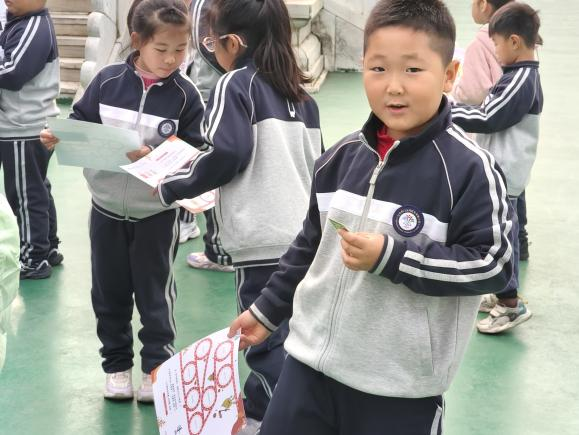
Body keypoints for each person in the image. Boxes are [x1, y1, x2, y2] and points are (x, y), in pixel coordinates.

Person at [228, 0, 514, 433]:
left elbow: (492, 264)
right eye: (378, 69)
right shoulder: (339, 159)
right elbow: (308, 247)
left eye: (412, 70)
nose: (393, 86)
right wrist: (266, 311)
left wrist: (393, 256)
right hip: (307, 366)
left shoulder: (469, 170)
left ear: (449, 74)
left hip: (398, 388)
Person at [157, 0, 322, 431]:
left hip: (261, 239)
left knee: (263, 340)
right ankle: (280, 409)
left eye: (213, 43)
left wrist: (171, 183)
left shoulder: (236, 84)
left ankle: (269, 418)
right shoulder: (302, 96)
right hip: (304, 242)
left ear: (232, 42)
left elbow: (225, 152)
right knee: (294, 336)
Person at [40, 0, 205, 402]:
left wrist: (157, 156)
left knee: (155, 296)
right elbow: (81, 121)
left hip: (156, 214)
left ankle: (155, 369)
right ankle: (116, 367)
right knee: (108, 293)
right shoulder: (107, 81)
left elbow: (198, 150)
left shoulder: (186, 96)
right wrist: (60, 135)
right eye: (161, 49)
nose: (171, 59)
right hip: (106, 208)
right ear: (137, 41)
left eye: (180, 49)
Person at [452, 2, 542, 334]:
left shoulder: (520, 79)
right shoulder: (519, 75)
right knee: (503, 232)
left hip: (506, 170)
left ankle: (510, 304)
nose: (496, 51)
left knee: (505, 236)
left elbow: (490, 117)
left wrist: (445, 112)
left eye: (497, 44)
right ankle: (501, 292)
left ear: (514, 42)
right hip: (503, 168)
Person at [0, 0, 62, 279]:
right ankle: (47, 246)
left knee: (25, 196)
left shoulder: (34, 25)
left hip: (23, 126)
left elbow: (13, 73)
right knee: (36, 189)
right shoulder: (22, 21)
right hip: (25, 125)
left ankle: (33, 258)